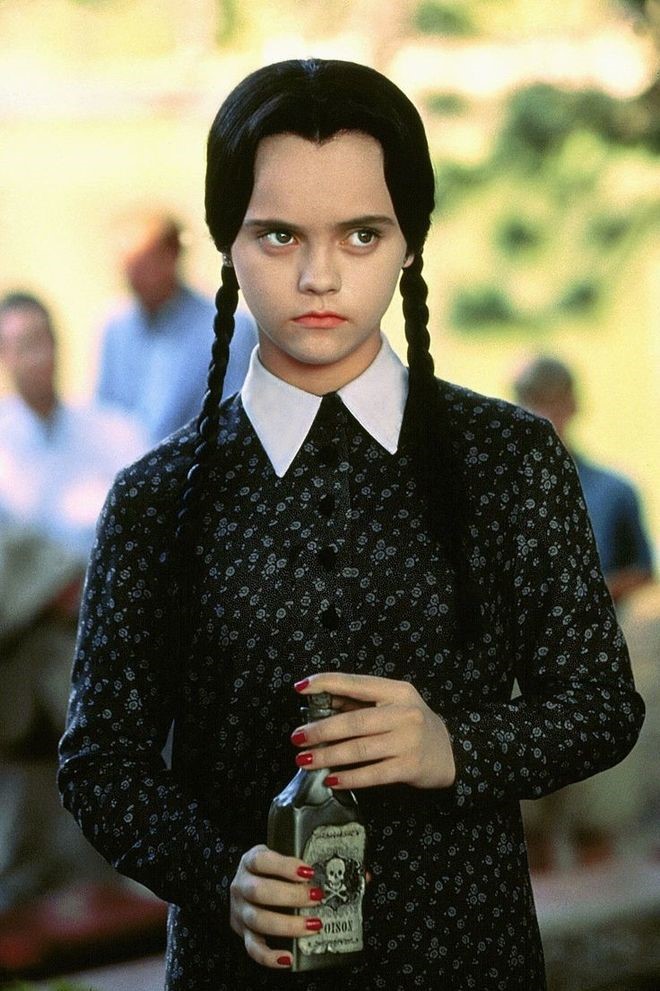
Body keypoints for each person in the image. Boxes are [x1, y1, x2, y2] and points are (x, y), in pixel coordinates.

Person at [58, 60, 644, 990]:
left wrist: (455, 747)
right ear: (226, 239)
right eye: (279, 234)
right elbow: (100, 761)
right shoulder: (155, 495)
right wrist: (221, 878)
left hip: (466, 962)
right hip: (235, 972)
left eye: (362, 234)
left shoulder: (509, 458)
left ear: (410, 240)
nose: (319, 275)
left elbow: (601, 705)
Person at [0, 292, 147, 561]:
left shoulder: (112, 431)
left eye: (41, 342)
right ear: (4, 356)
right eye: (23, 347)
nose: (36, 358)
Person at [96, 211, 258, 444]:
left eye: (142, 264)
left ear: (172, 257)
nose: (132, 276)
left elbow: (234, 421)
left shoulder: (228, 328)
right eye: (127, 265)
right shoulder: (114, 327)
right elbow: (103, 416)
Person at [512, 355, 654, 605]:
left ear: (573, 405)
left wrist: (583, 596)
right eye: (536, 402)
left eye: (555, 402)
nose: (545, 415)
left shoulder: (615, 492)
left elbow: (642, 572)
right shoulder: (496, 493)